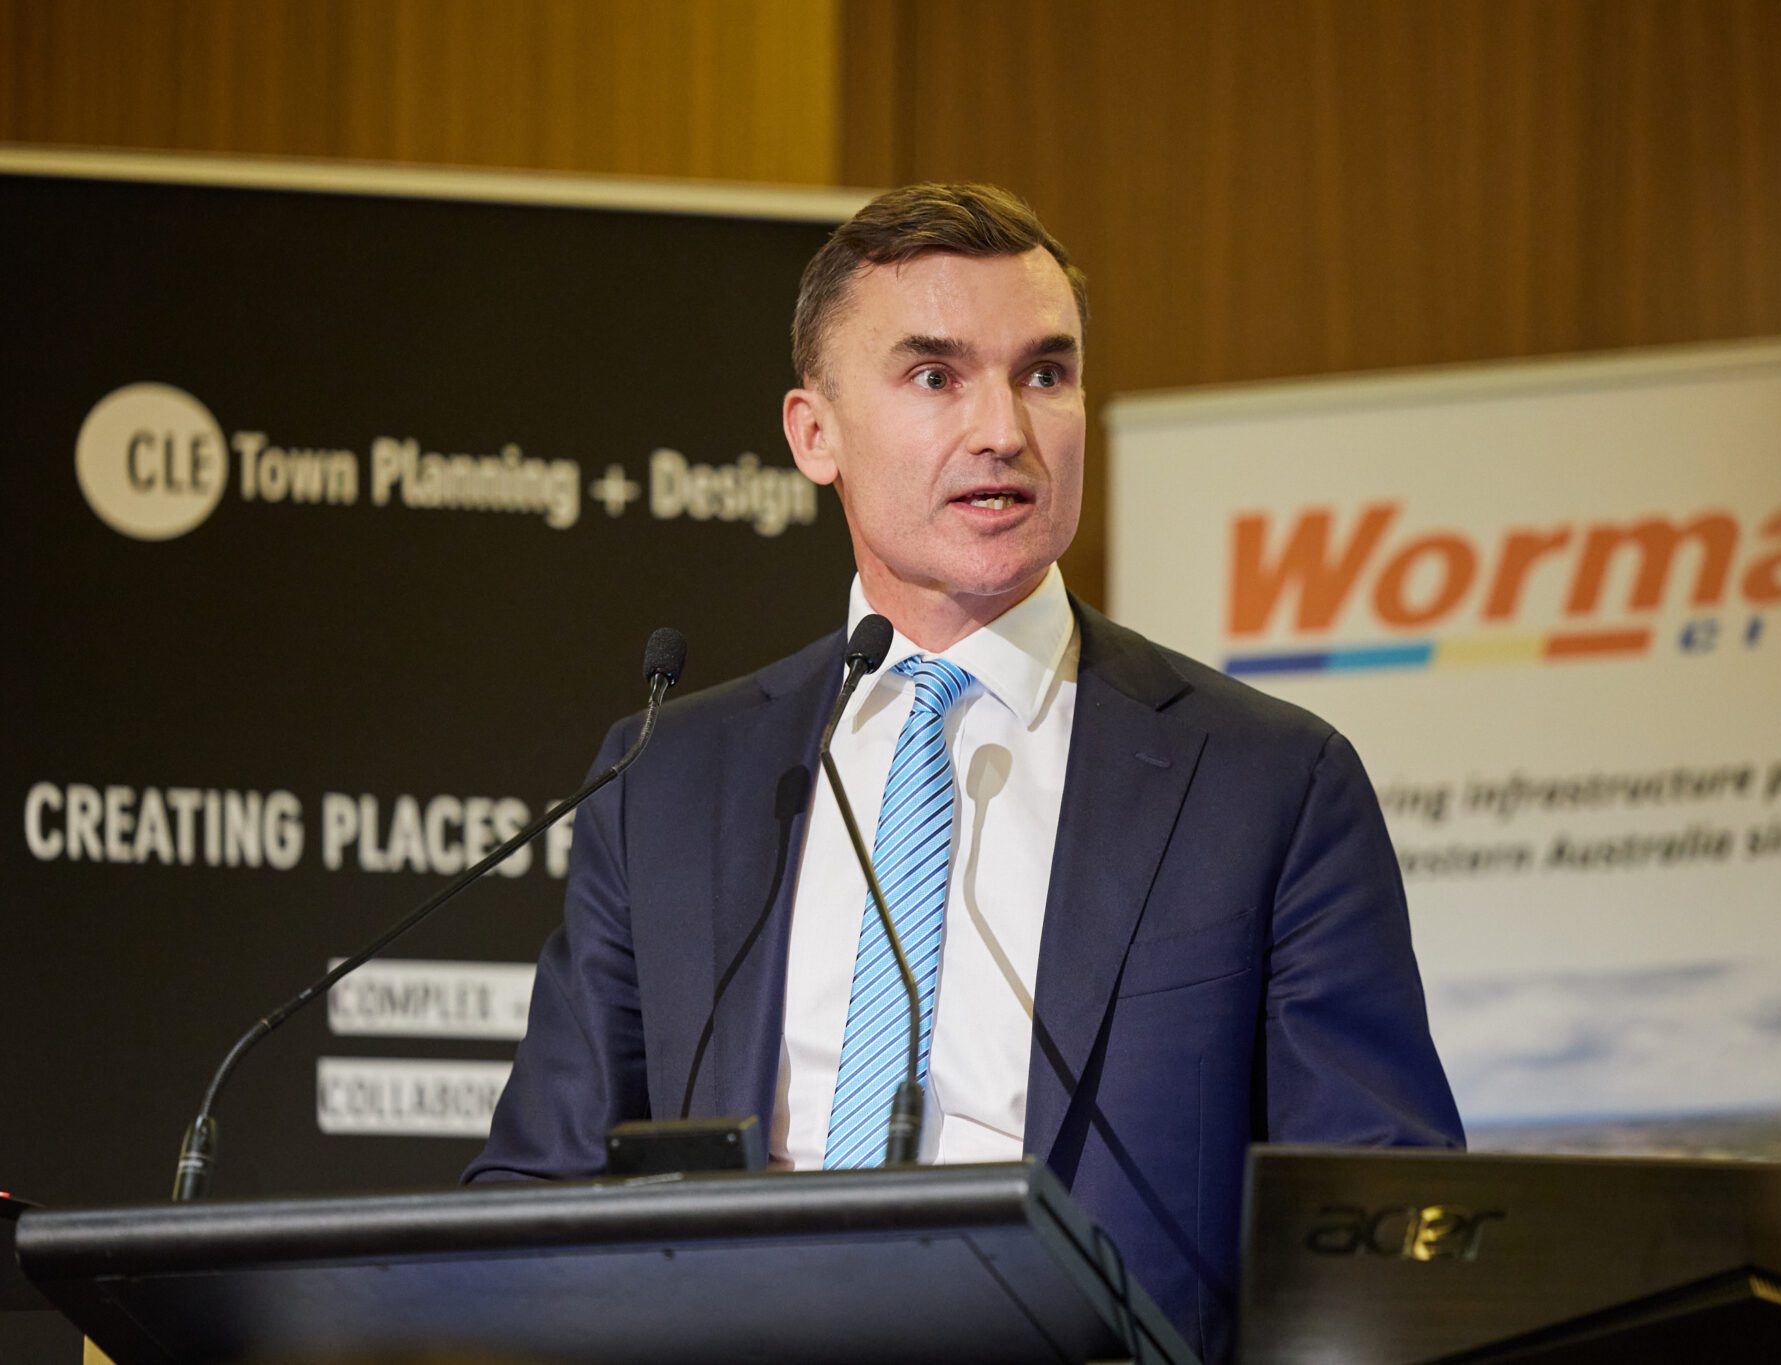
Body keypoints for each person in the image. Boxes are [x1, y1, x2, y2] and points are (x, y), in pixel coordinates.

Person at [466, 183, 1462, 1359]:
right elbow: (538, 1193)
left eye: (1044, 373)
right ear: (813, 435)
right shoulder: (667, 783)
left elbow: (1374, 1219)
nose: (1003, 429)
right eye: (935, 375)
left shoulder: (1266, 784)